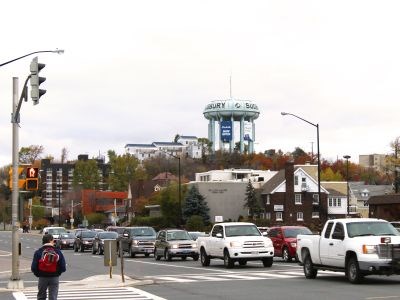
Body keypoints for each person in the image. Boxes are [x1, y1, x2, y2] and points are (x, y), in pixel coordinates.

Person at [31, 234, 66, 300]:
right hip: (54, 277)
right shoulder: (57, 252)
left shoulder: (38, 252)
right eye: (53, 240)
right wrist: (58, 273)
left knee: (41, 296)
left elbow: (33, 267)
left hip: (42, 277)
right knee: (53, 296)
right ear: (50, 241)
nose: (54, 242)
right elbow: (63, 266)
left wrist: (39, 274)